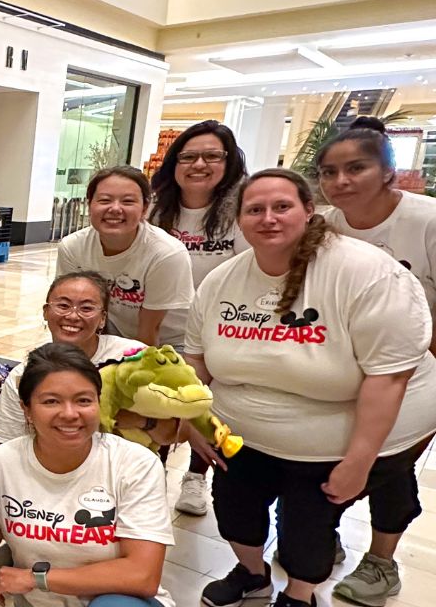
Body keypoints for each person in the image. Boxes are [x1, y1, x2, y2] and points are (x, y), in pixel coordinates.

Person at [185, 168, 436, 607]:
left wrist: (360, 461)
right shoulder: (222, 281)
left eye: (282, 206)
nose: (268, 218)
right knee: (234, 511)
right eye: (255, 209)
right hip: (242, 434)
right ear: (240, 220)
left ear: (308, 210)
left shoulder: (363, 271)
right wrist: (193, 421)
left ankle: (301, 594)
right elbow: (196, 363)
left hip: (337, 438)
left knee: (305, 529)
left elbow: (389, 376)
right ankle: (251, 573)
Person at [317, 128, 436, 604]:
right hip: (347, 368)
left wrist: (420, 373)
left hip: (417, 370)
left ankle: (382, 562)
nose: (341, 181)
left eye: (356, 168)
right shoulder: (325, 227)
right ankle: (322, 536)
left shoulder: (426, 221)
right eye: (329, 172)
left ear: (389, 171)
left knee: (391, 464)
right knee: (334, 456)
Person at [0, 342, 175, 607]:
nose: (70, 414)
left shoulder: (134, 464)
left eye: (83, 400)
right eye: (51, 401)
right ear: (26, 409)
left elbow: (142, 575)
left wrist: (37, 578)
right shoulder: (1, 462)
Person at [149, 121, 249, 516]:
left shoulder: (239, 211)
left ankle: (195, 477)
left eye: (212, 156)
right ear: (174, 163)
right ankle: (149, 473)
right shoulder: (157, 207)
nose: (199, 164)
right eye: (188, 156)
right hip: (162, 323)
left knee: (205, 405)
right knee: (153, 404)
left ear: (229, 162)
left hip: (218, 329)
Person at [0, 271, 147, 445]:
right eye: (63, 306)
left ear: (102, 318)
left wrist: (141, 421)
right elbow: (6, 443)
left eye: (86, 308)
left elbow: (174, 432)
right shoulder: (24, 375)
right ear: (45, 312)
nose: (72, 316)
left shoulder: (134, 357)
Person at [56, 166, 194, 347]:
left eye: (128, 202)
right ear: (89, 204)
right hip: (118, 335)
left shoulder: (166, 254)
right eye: (105, 200)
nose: (115, 209)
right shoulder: (73, 247)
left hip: (170, 344)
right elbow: (67, 313)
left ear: (145, 208)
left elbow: (150, 330)